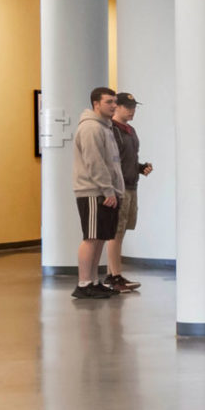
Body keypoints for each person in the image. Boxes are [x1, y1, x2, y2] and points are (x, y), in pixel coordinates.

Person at [71, 86, 125, 301]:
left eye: (115, 102)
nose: (114, 106)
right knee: (92, 238)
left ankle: (93, 281)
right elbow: (94, 162)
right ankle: (83, 284)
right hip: (93, 191)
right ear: (96, 104)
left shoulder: (105, 127)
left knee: (101, 237)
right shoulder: (91, 128)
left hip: (106, 191)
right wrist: (107, 189)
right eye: (109, 102)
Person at [104, 93, 152, 294]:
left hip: (132, 185)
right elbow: (111, 161)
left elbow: (128, 159)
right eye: (128, 107)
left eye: (134, 107)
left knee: (121, 232)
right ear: (117, 107)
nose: (132, 111)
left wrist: (140, 168)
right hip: (119, 187)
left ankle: (112, 274)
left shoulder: (130, 130)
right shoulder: (111, 130)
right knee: (116, 232)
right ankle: (115, 276)